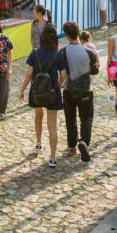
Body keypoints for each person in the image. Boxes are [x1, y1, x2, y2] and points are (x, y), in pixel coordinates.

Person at [19, 24, 64, 167]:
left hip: (37, 90)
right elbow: (63, 76)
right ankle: (52, 157)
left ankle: (38, 142)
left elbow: (28, 75)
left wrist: (22, 90)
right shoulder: (59, 54)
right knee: (53, 125)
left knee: (38, 115)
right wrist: (58, 86)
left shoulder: (35, 53)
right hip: (52, 92)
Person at [59, 22, 96, 162]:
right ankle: (84, 142)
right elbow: (95, 70)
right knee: (86, 118)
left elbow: (62, 74)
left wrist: (58, 85)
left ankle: (72, 145)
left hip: (69, 90)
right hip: (86, 89)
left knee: (71, 119)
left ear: (67, 35)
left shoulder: (63, 51)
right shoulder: (89, 51)